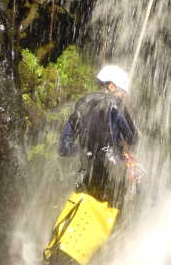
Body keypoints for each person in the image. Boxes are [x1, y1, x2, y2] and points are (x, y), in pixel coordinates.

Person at [58, 64, 139, 207]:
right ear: (112, 86)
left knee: (84, 197)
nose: (122, 98)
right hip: (113, 173)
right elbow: (133, 138)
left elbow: (63, 149)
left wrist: (85, 151)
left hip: (87, 174)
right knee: (136, 183)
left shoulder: (81, 105)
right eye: (122, 94)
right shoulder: (116, 105)